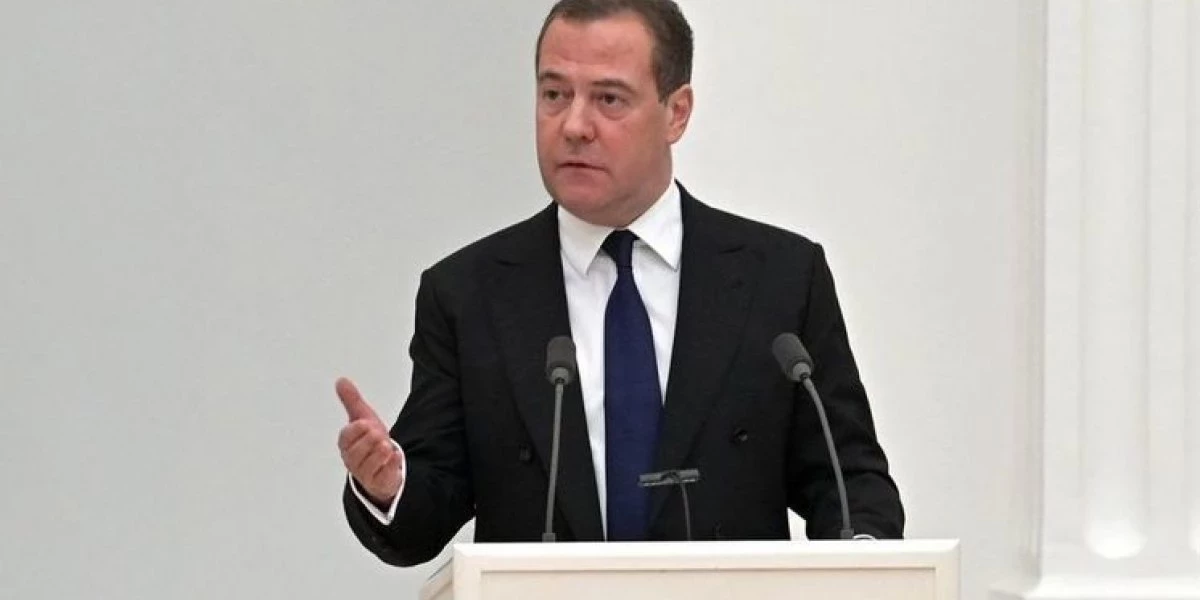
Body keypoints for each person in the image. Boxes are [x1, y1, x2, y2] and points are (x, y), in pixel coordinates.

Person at [336, 0, 904, 567]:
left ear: (677, 113)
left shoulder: (780, 277)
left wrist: (866, 564)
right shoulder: (468, 294)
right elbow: (427, 508)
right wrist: (388, 485)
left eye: (608, 99)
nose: (574, 126)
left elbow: (848, 480)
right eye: (554, 94)